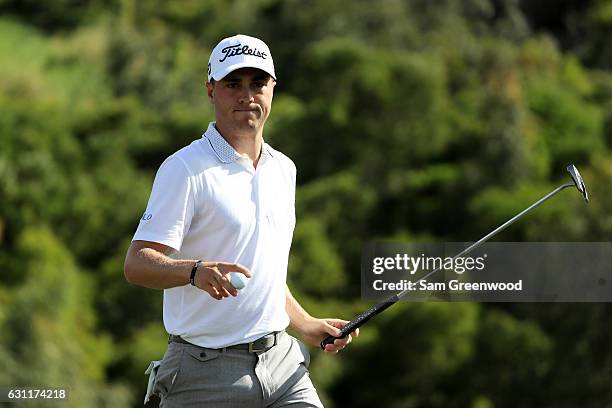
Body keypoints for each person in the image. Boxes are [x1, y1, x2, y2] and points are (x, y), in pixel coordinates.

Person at [124, 34, 358, 408]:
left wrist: (305, 323)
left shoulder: (284, 169)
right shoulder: (184, 169)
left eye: (257, 83)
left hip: (282, 364)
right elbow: (136, 264)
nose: (246, 95)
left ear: (273, 90)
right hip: (203, 374)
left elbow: (264, 274)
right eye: (233, 84)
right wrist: (195, 271)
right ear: (211, 90)